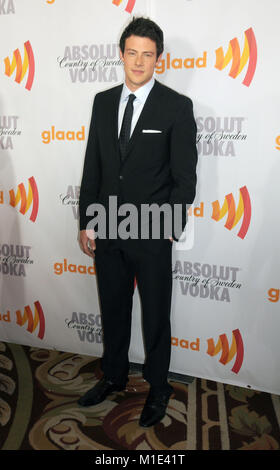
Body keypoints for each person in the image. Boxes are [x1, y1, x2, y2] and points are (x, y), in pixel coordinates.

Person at [78, 17, 197, 427]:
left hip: (151, 230)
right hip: (108, 226)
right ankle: (112, 374)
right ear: (122, 54)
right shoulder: (102, 101)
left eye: (148, 54)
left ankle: (158, 386)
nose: (139, 61)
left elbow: (185, 178)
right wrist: (87, 220)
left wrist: (170, 222)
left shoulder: (177, 107)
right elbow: (93, 165)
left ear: (158, 59)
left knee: (155, 316)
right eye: (133, 52)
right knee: (112, 307)